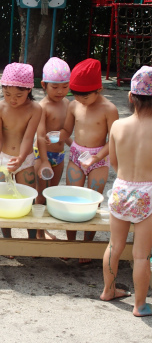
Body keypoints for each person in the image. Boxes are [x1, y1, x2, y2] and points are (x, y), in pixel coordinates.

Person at [100, 66, 152, 317]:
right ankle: (140, 305)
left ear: (130, 97)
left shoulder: (118, 126)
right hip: (148, 195)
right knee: (141, 255)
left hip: (121, 189)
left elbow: (115, 163)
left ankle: (108, 290)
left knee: (114, 245)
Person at [59, 58, 119, 263]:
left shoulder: (109, 109)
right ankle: (71, 244)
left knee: (92, 202)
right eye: (76, 95)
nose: (80, 99)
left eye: (85, 95)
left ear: (99, 89)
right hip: (77, 156)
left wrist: (97, 157)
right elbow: (67, 130)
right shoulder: (74, 105)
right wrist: (58, 136)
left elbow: (114, 140)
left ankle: (86, 247)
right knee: (72, 200)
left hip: (99, 159)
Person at [0, 63, 41, 244]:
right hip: (3, 158)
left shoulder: (35, 109)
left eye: (19, 95)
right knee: (3, 199)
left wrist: (20, 159)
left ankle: (31, 240)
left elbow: (28, 138)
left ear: (29, 90)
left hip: (24, 159)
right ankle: (7, 240)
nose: (13, 99)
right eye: (7, 94)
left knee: (28, 199)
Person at [34, 57, 72, 240]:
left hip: (59, 155)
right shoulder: (42, 107)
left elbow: (66, 132)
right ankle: (37, 233)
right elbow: (40, 136)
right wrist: (43, 161)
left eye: (65, 86)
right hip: (42, 155)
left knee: (52, 193)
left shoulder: (67, 104)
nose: (60, 91)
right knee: (40, 195)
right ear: (44, 84)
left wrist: (75, 147)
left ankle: (45, 229)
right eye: (55, 87)